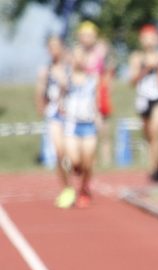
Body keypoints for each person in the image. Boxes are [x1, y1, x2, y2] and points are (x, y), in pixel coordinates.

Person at [129, 24, 158, 183]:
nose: (149, 41)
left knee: (155, 131)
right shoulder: (136, 58)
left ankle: (153, 168)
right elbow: (132, 81)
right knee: (148, 135)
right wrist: (145, 69)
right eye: (146, 38)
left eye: (152, 37)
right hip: (143, 100)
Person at [36, 36, 72, 208]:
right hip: (54, 116)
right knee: (59, 152)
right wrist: (42, 107)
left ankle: (80, 184)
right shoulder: (46, 70)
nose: (54, 50)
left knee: (73, 156)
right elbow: (41, 93)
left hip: (73, 116)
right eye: (51, 47)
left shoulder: (70, 68)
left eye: (57, 46)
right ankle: (66, 188)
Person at [62, 47, 100, 208]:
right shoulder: (67, 79)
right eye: (75, 56)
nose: (79, 60)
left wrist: (99, 117)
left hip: (89, 124)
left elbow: (97, 101)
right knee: (75, 161)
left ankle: (84, 189)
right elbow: (59, 98)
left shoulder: (93, 79)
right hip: (72, 124)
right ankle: (74, 180)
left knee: (87, 163)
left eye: (81, 57)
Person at [74, 21, 114, 167]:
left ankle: (107, 160)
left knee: (103, 127)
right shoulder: (78, 52)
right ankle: (91, 159)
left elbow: (109, 69)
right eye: (84, 36)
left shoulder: (101, 51)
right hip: (83, 94)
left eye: (90, 36)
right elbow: (78, 67)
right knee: (89, 129)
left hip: (99, 91)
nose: (87, 39)